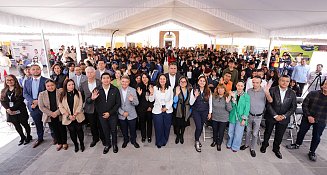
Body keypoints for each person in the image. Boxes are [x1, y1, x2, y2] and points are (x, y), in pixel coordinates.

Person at [286, 79, 327, 161]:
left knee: (317, 137)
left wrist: (315, 119)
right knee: (301, 131)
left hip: (321, 119)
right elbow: (304, 105)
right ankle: (297, 144)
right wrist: (309, 116)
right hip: (307, 117)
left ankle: (312, 152)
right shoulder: (313, 93)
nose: (326, 86)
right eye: (325, 84)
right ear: (322, 85)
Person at [260, 75, 297, 159]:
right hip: (272, 116)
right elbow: (268, 104)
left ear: (289, 82)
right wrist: (275, 115)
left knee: (279, 134)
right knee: (267, 132)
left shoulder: (292, 92)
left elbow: (293, 107)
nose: (285, 83)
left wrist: (284, 116)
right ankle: (264, 145)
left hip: (284, 118)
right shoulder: (272, 90)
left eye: (287, 81)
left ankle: (276, 148)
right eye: (283, 81)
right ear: (279, 81)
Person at [240, 76, 272, 157]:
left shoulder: (264, 91)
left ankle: (252, 148)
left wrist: (267, 92)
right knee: (247, 131)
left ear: (260, 83)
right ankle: (246, 144)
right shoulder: (249, 91)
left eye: (257, 82)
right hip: (249, 115)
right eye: (253, 82)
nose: (255, 84)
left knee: (254, 133)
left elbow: (270, 100)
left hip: (258, 116)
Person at [92, 72, 121, 154]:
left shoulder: (115, 89)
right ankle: (107, 145)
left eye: (107, 78)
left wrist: (110, 113)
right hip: (102, 115)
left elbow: (118, 103)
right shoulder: (97, 89)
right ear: (101, 80)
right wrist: (92, 98)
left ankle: (115, 144)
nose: (106, 80)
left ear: (110, 79)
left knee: (114, 130)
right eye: (104, 78)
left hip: (112, 115)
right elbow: (88, 100)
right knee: (105, 130)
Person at [0, 75, 32, 145]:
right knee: (17, 125)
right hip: (10, 112)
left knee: (25, 124)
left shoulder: (20, 89)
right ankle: (22, 137)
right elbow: (2, 101)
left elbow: (20, 101)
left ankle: (29, 136)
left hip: (20, 110)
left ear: (15, 80)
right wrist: (8, 109)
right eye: (7, 80)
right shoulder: (3, 90)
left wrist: (11, 109)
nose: (9, 81)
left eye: (11, 80)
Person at [38, 79, 68, 151]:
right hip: (49, 115)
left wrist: (56, 113)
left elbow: (64, 103)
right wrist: (51, 113)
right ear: (45, 86)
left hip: (60, 113)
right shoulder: (42, 94)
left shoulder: (60, 92)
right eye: (48, 86)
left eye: (52, 85)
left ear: (55, 85)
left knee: (62, 129)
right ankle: (59, 143)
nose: (50, 87)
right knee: (54, 130)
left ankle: (64, 142)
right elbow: (41, 106)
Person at [23, 64, 48, 148]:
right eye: (33, 69)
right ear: (30, 71)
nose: (36, 71)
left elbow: (48, 92)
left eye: (37, 69)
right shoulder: (27, 81)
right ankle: (40, 138)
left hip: (44, 106)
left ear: (40, 70)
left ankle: (55, 137)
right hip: (33, 106)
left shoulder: (46, 80)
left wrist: (38, 101)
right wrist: (32, 101)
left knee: (50, 122)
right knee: (37, 123)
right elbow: (25, 94)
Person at [79, 66, 104, 147]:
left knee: (101, 124)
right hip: (89, 109)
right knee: (92, 125)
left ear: (94, 73)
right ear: (86, 74)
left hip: (100, 107)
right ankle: (95, 138)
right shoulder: (83, 84)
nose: (89, 74)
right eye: (88, 72)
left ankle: (103, 138)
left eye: (91, 72)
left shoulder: (100, 82)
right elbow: (81, 97)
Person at [59, 79, 85, 152]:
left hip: (77, 115)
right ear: (66, 86)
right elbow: (61, 106)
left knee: (79, 130)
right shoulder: (62, 94)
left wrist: (75, 114)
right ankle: (76, 145)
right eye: (69, 85)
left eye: (72, 84)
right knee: (72, 131)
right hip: (68, 117)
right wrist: (69, 115)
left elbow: (80, 104)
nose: (71, 86)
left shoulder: (78, 93)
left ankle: (82, 144)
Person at [149, 74, 174, 149]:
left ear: (166, 80)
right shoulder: (155, 88)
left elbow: (171, 100)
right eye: (161, 79)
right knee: (158, 127)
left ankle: (165, 140)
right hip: (157, 110)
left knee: (167, 126)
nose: (162, 80)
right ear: (158, 80)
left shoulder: (169, 88)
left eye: (164, 79)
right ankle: (159, 142)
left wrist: (166, 107)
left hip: (168, 110)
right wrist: (151, 93)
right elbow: (151, 100)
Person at [190, 75, 212, 152]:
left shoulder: (208, 91)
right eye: (201, 81)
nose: (202, 82)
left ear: (206, 82)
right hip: (196, 111)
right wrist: (195, 96)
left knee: (201, 126)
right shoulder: (194, 90)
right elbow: (191, 103)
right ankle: (196, 141)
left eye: (204, 81)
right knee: (199, 127)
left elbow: (210, 102)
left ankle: (197, 139)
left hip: (205, 111)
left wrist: (210, 112)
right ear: (198, 82)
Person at [227, 81, 250, 152]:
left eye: (241, 86)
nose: (239, 87)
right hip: (233, 115)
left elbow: (247, 108)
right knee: (230, 132)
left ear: (244, 87)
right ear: (236, 85)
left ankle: (235, 147)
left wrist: (244, 119)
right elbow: (230, 105)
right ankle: (229, 144)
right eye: (238, 85)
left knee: (238, 134)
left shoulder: (246, 96)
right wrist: (233, 99)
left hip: (241, 118)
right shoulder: (232, 93)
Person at [118, 76, 140, 148]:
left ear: (129, 82)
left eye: (126, 82)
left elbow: (137, 103)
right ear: (121, 81)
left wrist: (132, 100)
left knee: (133, 129)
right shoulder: (117, 90)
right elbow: (115, 104)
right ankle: (126, 140)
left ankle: (133, 141)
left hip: (132, 114)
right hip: (122, 115)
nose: (124, 83)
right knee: (124, 130)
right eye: (123, 81)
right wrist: (122, 112)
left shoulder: (133, 90)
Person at [209, 84, 232, 151]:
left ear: (224, 90)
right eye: (219, 88)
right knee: (215, 130)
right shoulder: (213, 96)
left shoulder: (227, 97)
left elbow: (230, 109)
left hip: (223, 118)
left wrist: (227, 102)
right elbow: (210, 106)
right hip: (215, 117)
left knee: (221, 131)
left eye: (222, 89)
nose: (220, 90)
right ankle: (214, 141)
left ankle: (219, 143)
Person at [173, 76, 192, 144]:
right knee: (178, 125)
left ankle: (181, 136)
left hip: (186, 110)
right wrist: (177, 94)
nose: (183, 83)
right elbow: (174, 101)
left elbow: (191, 101)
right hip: (178, 110)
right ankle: (178, 136)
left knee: (183, 125)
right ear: (179, 82)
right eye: (181, 81)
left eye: (184, 81)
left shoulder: (189, 90)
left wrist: (190, 111)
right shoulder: (176, 89)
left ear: (187, 82)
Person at [136, 73, 154, 143]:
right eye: (143, 77)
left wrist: (151, 106)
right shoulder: (138, 86)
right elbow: (137, 100)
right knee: (142, 123)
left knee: (149, 123)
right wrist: (139, 95)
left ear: (148, 78)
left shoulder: (152, 86)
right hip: (141, 109)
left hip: (149, 109)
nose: (144, 79)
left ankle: (149, 136)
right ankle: (143, 136)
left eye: (146, 77)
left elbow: (154, 98)